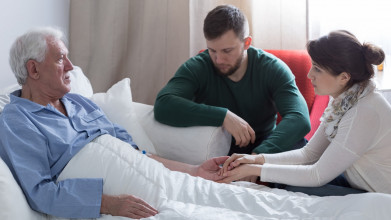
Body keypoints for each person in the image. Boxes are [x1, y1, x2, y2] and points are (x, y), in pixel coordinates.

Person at [0, 27, 229, 219]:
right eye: (61, 58)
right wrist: (108, 204)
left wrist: (194, 170)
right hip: (120, 205)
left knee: (229, 201)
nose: (71, 66)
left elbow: (136, 153)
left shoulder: (80, 103)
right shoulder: (16, 121)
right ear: (34, 69)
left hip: (157, 181)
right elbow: (40, 192)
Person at [219, 30, 391, 196]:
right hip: (357, 182)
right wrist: (255, 160)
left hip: (380, 194)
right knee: (292, 175)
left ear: (344, 77)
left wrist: (255, 169)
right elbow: (309, 154)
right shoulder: (346, 98)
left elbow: (317, 174)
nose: (309, 75)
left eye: (317, 69)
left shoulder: (364, 111)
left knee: (297, 188)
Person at [154, 5, 310, 160]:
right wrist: (223, 116)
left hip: (263, 145)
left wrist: (258, 157)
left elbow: (300, 119)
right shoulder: (198, 66)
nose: (218, 59)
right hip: (215, 146)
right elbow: (163, 104)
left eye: (227, 51)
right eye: (212, 50)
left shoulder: (272, 68)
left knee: (298, 146)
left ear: (247, 43)